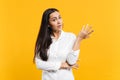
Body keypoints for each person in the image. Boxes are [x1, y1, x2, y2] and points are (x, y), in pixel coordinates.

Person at [33, 8, 94, 80]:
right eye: (54, 20)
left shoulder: (70, 37)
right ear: (48, 24)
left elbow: (71, 62)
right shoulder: (43, 40)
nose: (59, 22)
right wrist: (62, 65)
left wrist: (79, 39)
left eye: (59, 17)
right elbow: (39, 64)